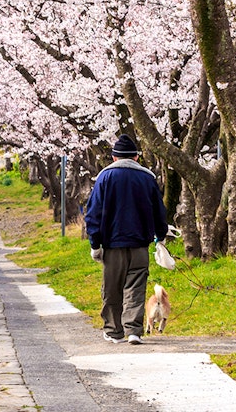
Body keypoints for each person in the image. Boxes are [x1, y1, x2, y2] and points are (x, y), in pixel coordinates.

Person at [84, 134, 168, 346]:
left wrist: (95, 244)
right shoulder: (147, 178)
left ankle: (114, 331)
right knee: (136, 287)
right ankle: (134, 330)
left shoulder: (105, 178)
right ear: (136, 157)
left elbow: (93, 214)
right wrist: (161, 236)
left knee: (112, 288)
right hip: (140, 244)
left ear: (114, 158)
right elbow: (159, 211)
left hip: (112, 245)